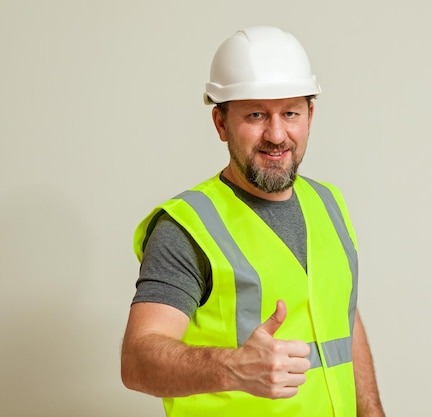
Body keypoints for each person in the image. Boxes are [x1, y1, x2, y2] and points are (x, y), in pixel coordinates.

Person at [121, 25, 385, 417]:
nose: (276, 135)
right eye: (256, 114)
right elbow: (137, 361)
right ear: (221, 123)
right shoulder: (187, 226)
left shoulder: (327, 203)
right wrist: (233, 369)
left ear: (310, 116)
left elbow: (343, 320)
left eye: (290, 113)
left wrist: (372, 410)